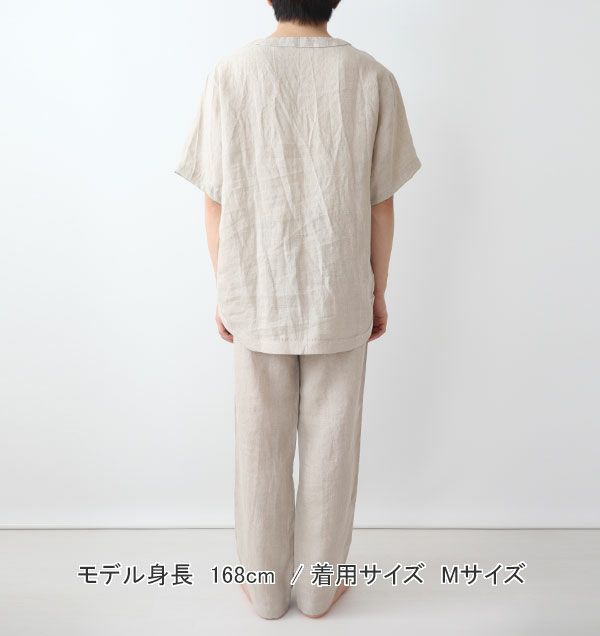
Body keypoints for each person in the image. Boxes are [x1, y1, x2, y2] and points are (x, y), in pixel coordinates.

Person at [175, 0, 421, 620]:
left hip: (259, 290)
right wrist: (377, 290)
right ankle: (317, 591)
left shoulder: (231, 74)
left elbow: (214, 200)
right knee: (332, 445)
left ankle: (264, 592)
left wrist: (227, 286)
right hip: (340, 291)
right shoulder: (371, 77)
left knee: (258, 444)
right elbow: (381, 203)